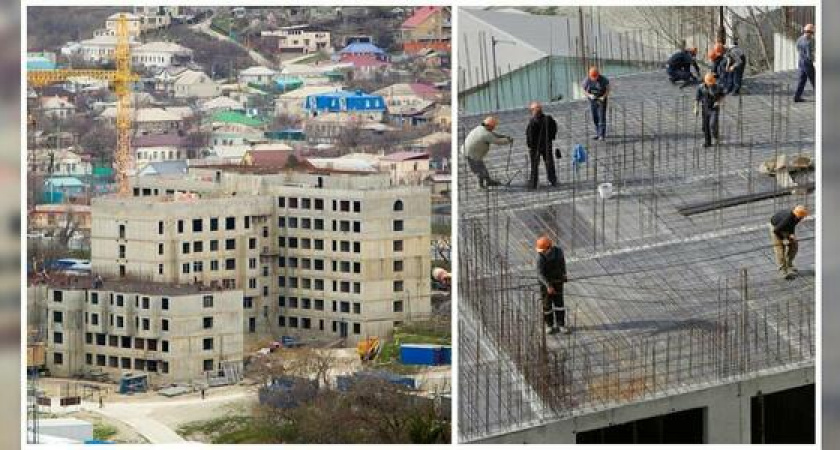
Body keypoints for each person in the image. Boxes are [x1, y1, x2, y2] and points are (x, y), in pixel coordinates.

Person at [463, 116, 513, 188]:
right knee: (479, 170)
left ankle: (488, 181)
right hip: (471, 154)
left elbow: (492, 134)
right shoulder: (485, 134)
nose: (494, 128)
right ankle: (480, 185)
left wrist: (503, 136)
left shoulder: (480, 128)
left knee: (481, 168)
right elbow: (497, 141)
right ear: (489, 125)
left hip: (472, 152)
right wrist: (508, 140)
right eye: (493, 127)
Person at [536, 236, 569, 335]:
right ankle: (549, 325)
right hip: (545, 283)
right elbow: (540, 274)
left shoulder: (558, 252)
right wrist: (548, 286)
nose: (541, 252)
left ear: (549, 248)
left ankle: (561, 325)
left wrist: (564, 274)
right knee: (547, 305)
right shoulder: (540, 258)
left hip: (558, 280)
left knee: (559, 304)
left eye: (543, 250)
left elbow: (562, 263)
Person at [525, 102, 558, 189]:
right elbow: (554, 128)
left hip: (535, 147)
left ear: (533, 111)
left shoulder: (532, 122)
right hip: (547, 145)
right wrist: (551, 138)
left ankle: (534, 183)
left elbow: (530, 137)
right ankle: (553, 180)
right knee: (549, 163)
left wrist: (530, 146)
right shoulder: (548, 119)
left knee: (534, 165)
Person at [770, 205, 808, 278]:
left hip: (784, 228)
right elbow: (776, 230)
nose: (803, 218)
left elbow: (792, 225)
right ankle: (782, 271)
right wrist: (783, 239)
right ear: (798, 215)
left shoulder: (797, 217)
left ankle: (789, 264)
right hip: (776, 228)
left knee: (794, 245)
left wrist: (791, 234)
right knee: (780, 249)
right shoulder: (787, 218)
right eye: (802, 217)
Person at [694, 73, 726, 147]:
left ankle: (716, 137)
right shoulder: (701, 87)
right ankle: (707, 143)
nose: (710, 84)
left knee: (712, 125)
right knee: (705, 127)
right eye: (709, 83)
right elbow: (697, 98)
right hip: (705, 108)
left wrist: (718, 102)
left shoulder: (718, 87)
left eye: (711, 83)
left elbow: (722, 95)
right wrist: (696, 108)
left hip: (714, 109)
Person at [583, 67, 610, 141]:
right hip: (593, 100)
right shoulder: (587, 80)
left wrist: (604, 97)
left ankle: (602, 135)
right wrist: (589, 95)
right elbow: (584, 91)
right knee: (595, 117)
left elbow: (608, 89)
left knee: (601, 117)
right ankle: (598, 133)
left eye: (595, 77)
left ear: (598, 75)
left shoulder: (603, 80)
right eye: (592, 77)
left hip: (601, 100)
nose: (594, 79)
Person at [794, 24, 816, 102]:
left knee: (802, 80)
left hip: (800, 62)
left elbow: (797, 47)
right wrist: (815, 60)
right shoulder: (809, 42)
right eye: (812, 32)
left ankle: (797, 97)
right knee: (815, 80)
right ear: (810, 32)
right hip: (807, 64)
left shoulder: (800, 39)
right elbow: (809, 56)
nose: (812, 34)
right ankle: (820, 96)